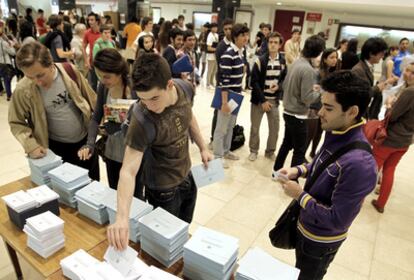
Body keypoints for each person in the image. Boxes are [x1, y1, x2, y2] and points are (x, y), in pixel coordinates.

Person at [275, 70, 377, 280]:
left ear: (352, 112)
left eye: (329, 108)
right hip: (305, 224)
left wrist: (299, 195)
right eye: (322, 104)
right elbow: (321, 161)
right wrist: (299, 170)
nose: (320, 112)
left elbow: (336, 219)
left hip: (320, 241)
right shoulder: (336, 129)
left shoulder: (360, 164)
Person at [107, 53, 213, 250]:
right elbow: (128, 171)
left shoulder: (185, 88)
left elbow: (188, 115)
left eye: (154, 98)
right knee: (165, 245)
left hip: (187, 176)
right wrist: (122, 218)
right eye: (143, 99)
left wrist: (203, 147)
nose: (150, 106)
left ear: (170, 85)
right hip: (163, 190)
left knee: (183, 230)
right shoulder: (141, 119)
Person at [8, 42, 99, 180]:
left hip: (85, 143)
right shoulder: (23, 89)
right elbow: (16, 122)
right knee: (64, 192)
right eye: (30, 77)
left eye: (40, 75)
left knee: (92, 185)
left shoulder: (69, 71)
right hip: (55, 149)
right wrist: (31, 145)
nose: (37, 81)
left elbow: (93, 100)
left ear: (51, 65)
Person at [77, 49, 142, 195]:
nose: (102, 80)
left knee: (136, 197)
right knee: (115, 193)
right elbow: (96, 117)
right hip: (112, 152)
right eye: (99, 76)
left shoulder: (135, 88)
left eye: (107, 76)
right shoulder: (104, 88)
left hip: (134, 155)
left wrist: (124, 124)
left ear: (119, 72)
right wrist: (90, 143)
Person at [273, 35, 325, 172]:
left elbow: (285, 84)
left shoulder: (295, 63)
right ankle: (292, 181)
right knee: (300, 150)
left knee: (286, 144)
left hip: (287, 111)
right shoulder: (308, 70)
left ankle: (276, 172)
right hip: (298, 115)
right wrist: (321, 92)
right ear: (317, 52)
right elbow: (307, 98)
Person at [371, 62, 414, 213]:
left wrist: (390, 105)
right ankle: (381, 203)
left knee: (372, 168)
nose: (408, 74)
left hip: (389, 138)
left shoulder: (410, 92)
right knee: (389, 170)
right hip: (405, 140)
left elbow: (393, 115)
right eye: (407, 70)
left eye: (412, 72)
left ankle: (358, 199)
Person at [213, 23, 250, 168]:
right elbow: (224, 81)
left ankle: (226, 150)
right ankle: (217, 156)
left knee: (230, 126)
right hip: (227, 96)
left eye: (247, 35)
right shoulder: (229, 54)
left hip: (236, 96)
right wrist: (224, 102)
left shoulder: (240, 53)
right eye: (242, 35)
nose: (245, 38)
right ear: (235, 37)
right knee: (221, 128)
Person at [248, 32, 287, 161]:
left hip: (274, 100)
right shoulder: (260, 60)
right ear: (267, 43)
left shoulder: (282, 61)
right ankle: (253, 150)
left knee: (275, 128)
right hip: (259, 100)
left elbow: (284, 80)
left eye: (276, 42)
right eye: (271, 42)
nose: (273, 45)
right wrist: (263, 100)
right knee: (255, 127)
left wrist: (279, 86)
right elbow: (254, 82)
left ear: (280, 45)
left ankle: (270, 151)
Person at [306, 48, 338, 159]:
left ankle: (313, 152)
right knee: (310, 133)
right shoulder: (317, 72)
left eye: (336, 57)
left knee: (319, 132)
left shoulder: (331, 73)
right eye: (332, 57)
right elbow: (314, 89)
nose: (335, 60)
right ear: (324, 59)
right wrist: (324, 90)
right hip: (314, 106)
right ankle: (302, 155)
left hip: (325, 106)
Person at [208, 19, 233, 146]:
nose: (228, 31)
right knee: (218, 111)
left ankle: (225, 141)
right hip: (222, 83)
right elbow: (222, 68)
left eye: (230, 28)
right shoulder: (221, 46)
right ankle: (213, 139)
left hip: (233, 85)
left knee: (230, 112)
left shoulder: (236, 44)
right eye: (226, 29)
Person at [352, 37, 388, 120]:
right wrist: (377, 88)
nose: (382, 56)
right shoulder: (358, 70)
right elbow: (359, 94)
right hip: (356, 113)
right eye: (381, 53)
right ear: (371, 54)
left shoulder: (368, 66)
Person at [83, 12, 101, 91]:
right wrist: (86, 61)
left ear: (97, 21)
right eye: (89, 20)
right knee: (93, 84)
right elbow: (83, 47)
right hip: (92, 62)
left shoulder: (102, 32)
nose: (90, 22)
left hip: (103, 62)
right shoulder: (87, 33)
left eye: (92, 20)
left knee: (104, 83)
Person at [0, 26, 16, 101]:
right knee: (8, 79)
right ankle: (9, 95)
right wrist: (11, 45)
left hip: (0, 63)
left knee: (5, 79)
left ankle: (8, 93)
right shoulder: (4, 43)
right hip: (6, 63)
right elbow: (13, 52)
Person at [206, 23, 219, 89]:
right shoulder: (210, 35)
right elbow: (209, 48)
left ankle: (211, 82)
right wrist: (217, 49)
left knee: (214, 70)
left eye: (216, 27)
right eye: (214, 27)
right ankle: (208, 84)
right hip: (211, 56)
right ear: (211, 28)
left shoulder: (217, 35)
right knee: (210, 70)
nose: (215, 29)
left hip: (216, 56)